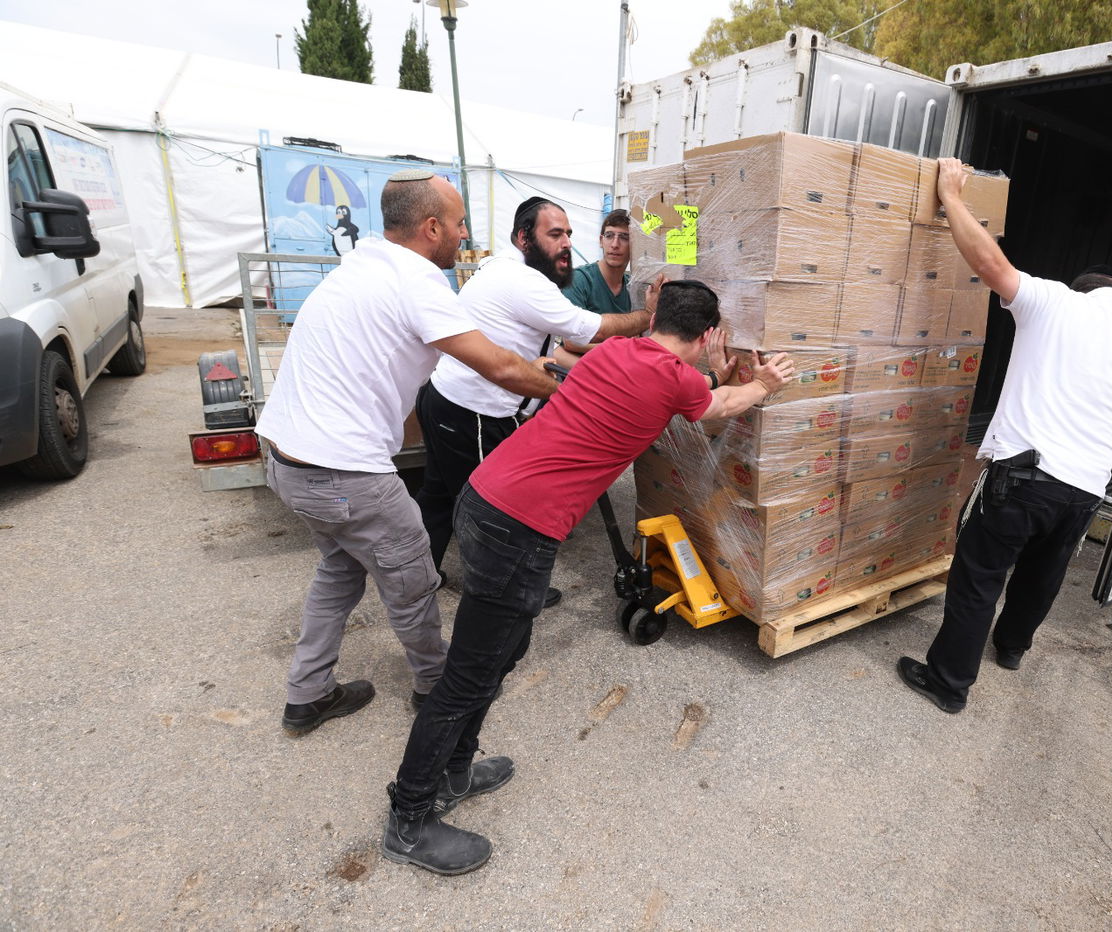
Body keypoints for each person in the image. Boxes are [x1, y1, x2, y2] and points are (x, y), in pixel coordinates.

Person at [380, 281, 795, 875]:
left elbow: (692, 391)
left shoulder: (616, 354)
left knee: (502, 652)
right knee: (470, 674)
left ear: (655, 318)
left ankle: (455, 768)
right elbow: (716, 407)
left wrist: (719, 378)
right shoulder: (673, 377)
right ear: (707, 336)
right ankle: (410, 817)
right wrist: (762, 383)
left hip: (487, 499)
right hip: (518, 526)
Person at [897, 158, 1112, 715]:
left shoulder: (1051, 300)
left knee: (979, 575)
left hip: (1023, 477)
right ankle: (1012, 649)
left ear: (1080, 288)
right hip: (1085, 489)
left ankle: (948, 683)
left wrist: (952, 197)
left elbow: (990, 264)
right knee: (1042, 575)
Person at [257, 169, 558, 736]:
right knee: (415, 577)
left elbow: (478, 348)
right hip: (343, 471)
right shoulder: (418, 282)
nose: (465, 235)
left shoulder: (366, 264)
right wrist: (571, 390)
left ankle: (307, 693)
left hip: (285, 457)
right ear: (430, 226)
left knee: (340, 569)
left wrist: (528, 369)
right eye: (460, 223)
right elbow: (495, 366)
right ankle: (434, 685)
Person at [414, 198, 657, 607]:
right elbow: (588, 328)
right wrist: (647, 315)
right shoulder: (525, 282)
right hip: (475, 412)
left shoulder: (504, 268)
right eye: (554, 234)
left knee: (437, 498)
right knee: (493, 512)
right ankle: (504, 594)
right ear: (524, 238)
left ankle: (419, 577)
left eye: (568, 235)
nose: (565, 244)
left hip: (444, 400)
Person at [553, 207, 653, 365]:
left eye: (624, 237)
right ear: (601, 241)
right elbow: (571, 341)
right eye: (609, 235)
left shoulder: (633, 287)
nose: (615, 244)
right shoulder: (580, 280)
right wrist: (623, 348)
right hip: (585, 374)